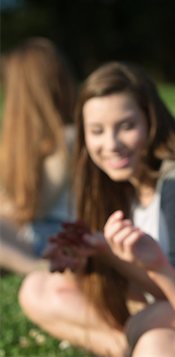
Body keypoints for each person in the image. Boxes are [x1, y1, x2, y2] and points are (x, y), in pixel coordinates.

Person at [19, 61, 175, 357]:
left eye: (126, 126)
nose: (111, 144)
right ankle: (121, 347)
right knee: (36, 288)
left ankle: (129, 343)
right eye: (97, 131)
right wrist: (83, 260)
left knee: (148, 323)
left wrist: (111, 255)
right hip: (153, 306)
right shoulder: (111, 183)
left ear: (150, 121)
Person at [0, 37, 77, 274]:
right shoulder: (27, 141)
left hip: (56, 235)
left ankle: (38, 270)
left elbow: (36, 207)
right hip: (33, 231)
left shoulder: (69, 137)